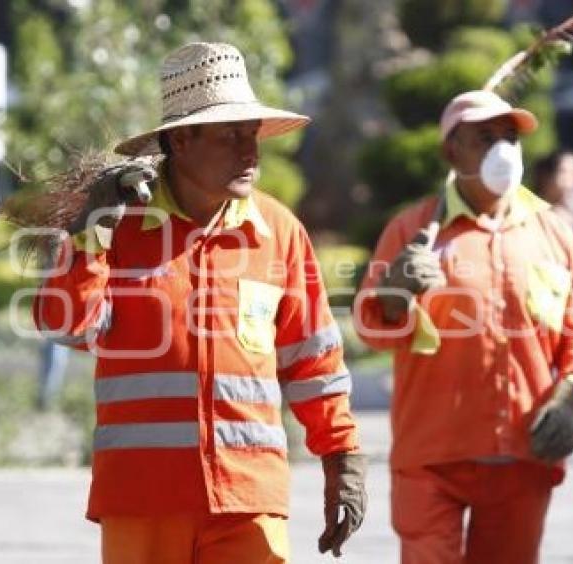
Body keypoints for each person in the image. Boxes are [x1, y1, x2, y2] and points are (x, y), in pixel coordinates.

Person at [32, 42, 366, 563]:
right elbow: (67, 326)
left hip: (249, 498)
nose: (249, 151)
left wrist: (342, 458)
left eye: (251, 133)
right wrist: (87, 237)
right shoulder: (115, 226)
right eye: (230, 135)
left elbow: (314, 360)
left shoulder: (278, 232)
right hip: (143, 499)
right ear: (181, 140)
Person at [355, 90, 573, 563]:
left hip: (522, 454)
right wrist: (391, 298)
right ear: (451, 151)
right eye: (485, 137)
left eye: (510, 137)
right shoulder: (412, 231)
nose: (502, 149)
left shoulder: (553, 234)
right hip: (431, 456)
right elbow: (371, 327)